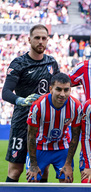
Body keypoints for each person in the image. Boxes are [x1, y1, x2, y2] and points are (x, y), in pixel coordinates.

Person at [2, 24, 60, 182]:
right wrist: (20, 100)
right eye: (37, 38)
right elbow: (5, 92)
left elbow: (60, 87)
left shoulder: (52, 63)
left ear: (47, 40)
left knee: (43, 169)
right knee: (15, 170)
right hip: (22, 123)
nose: (40, 41)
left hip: (44, 123)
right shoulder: (19, 63)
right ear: (29, 39)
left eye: (44, 38)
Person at [26, 73, 82, 182]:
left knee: (67, 179)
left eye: (66, 90)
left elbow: (75, 136)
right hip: (40, 146)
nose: (62, 94)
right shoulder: (38, 105)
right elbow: (31, 136)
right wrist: (33, 165)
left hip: (62, 147)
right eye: (59, 89)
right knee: (33, 179)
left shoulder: (76, 106)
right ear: (51, 89)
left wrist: (68, 163)